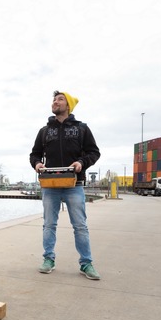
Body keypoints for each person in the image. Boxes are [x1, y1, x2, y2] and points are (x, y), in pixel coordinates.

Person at [29, 91, 101, 280]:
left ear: (68, 105)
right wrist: (37, 164)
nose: (55, 101)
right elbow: (34, 154)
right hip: (50, 185)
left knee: (80, 225)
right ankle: (48, 259)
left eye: (60, 99)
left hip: (74, 184)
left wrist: (81, 163)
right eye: (54, 99)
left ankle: (86, 263)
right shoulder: (44, 131)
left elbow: (94, 152)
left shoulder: (82, 129)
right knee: (49, 224)